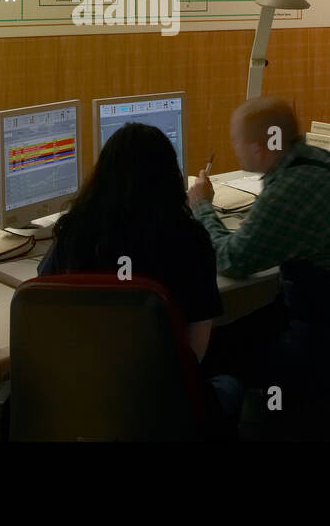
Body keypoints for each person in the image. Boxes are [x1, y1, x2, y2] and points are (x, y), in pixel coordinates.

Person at [188, 97, 330, 392]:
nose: (233, 147)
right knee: (229, 334)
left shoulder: (291, 188)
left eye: (236, 141)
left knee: (208, 354)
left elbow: (232, 261)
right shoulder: (323, 161)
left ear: (257, 148)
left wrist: (201, 208)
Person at [37, 121, 241, 433]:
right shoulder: (190, 239)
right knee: (229, 384)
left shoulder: (74, 232)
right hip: (166, 406)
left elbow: (45, 289)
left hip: (85, 400)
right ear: (171, 178)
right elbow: (195, 351)